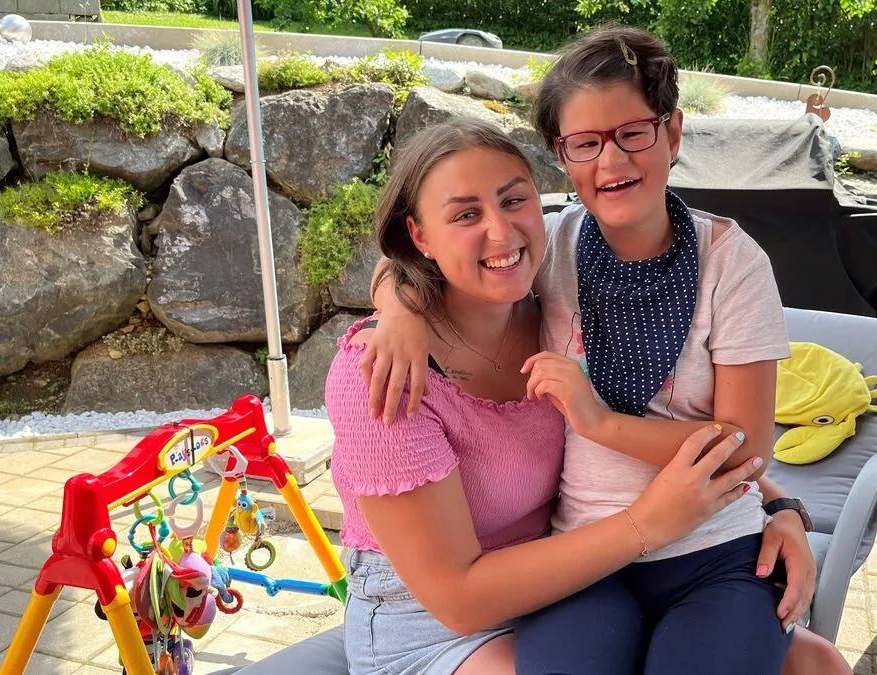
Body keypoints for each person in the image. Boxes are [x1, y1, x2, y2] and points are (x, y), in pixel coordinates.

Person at [362, 25, 853, 675]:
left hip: (715, 554)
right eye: (586, 143)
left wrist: (599, 421)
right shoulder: (553, 247)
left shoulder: (731, 264)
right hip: (586, 558)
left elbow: (742, 447)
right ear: (563, 156)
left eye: (633, 133)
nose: (612, 162)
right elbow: (433, 254)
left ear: (672, 132)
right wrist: (397, 310)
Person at [326, 117, 763, 675]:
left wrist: (778, 510)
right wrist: (647, 524)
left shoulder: (556, 306)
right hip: (432, 620)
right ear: (421, 237)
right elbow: (459, 600)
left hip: (571, 588)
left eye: (514, 201)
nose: (502, 232)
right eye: (466, 215)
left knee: (811, 661)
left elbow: (691, 427)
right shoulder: (381, 375)